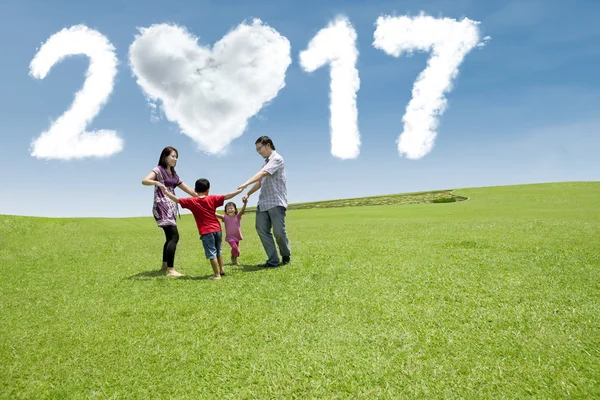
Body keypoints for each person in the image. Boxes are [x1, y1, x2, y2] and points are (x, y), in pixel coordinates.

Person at [161, 178, 243, 280]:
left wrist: (165, 191)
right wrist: (239, 191)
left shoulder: (192, 201)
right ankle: (221, 270)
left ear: (195, 190)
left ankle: (217, 275)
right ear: (208, 190)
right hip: (217, 229)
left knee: (211, 253)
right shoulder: (212, 199)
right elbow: (227, 196)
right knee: (218, 251)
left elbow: (177, 200)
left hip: (206, 231)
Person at [142, 146, 197, 277]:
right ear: (165, 157)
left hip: (171, 207)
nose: (175, 159)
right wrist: (157, 183)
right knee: (174, 236)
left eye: (176, 157)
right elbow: (144, 180)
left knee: (169, 238)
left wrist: (200, 196)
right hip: (162, 207)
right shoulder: (158, 170)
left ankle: (165, 266)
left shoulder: (173, 174)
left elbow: (188, 189)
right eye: (172, 156)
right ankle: (171, 270)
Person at [238, 136, 291, 268]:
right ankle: (273, 260)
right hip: (263, 203)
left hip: (276, 202)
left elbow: (262, 174)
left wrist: (245, 183)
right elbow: (260, 182)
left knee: (279, 232)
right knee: (262, 229)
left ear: (267, 145)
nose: (258, 152)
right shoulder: (266, 163)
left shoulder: (277, 159)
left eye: (259, 148)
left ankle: (285, 255)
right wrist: (248, 193)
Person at [216, 197, 248, 265]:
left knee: (235, 248)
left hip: (237, 236)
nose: (229, 210)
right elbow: (217, 215)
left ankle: (234, 258)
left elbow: (242, 211)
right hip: (230, 237)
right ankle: (234, 260)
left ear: (235, 209)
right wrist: (211, 209)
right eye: (227, 209)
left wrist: (245, 204)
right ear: (226, 211)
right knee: (235, 248)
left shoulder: (238, 216)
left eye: (231, 208)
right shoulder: (225, 217)